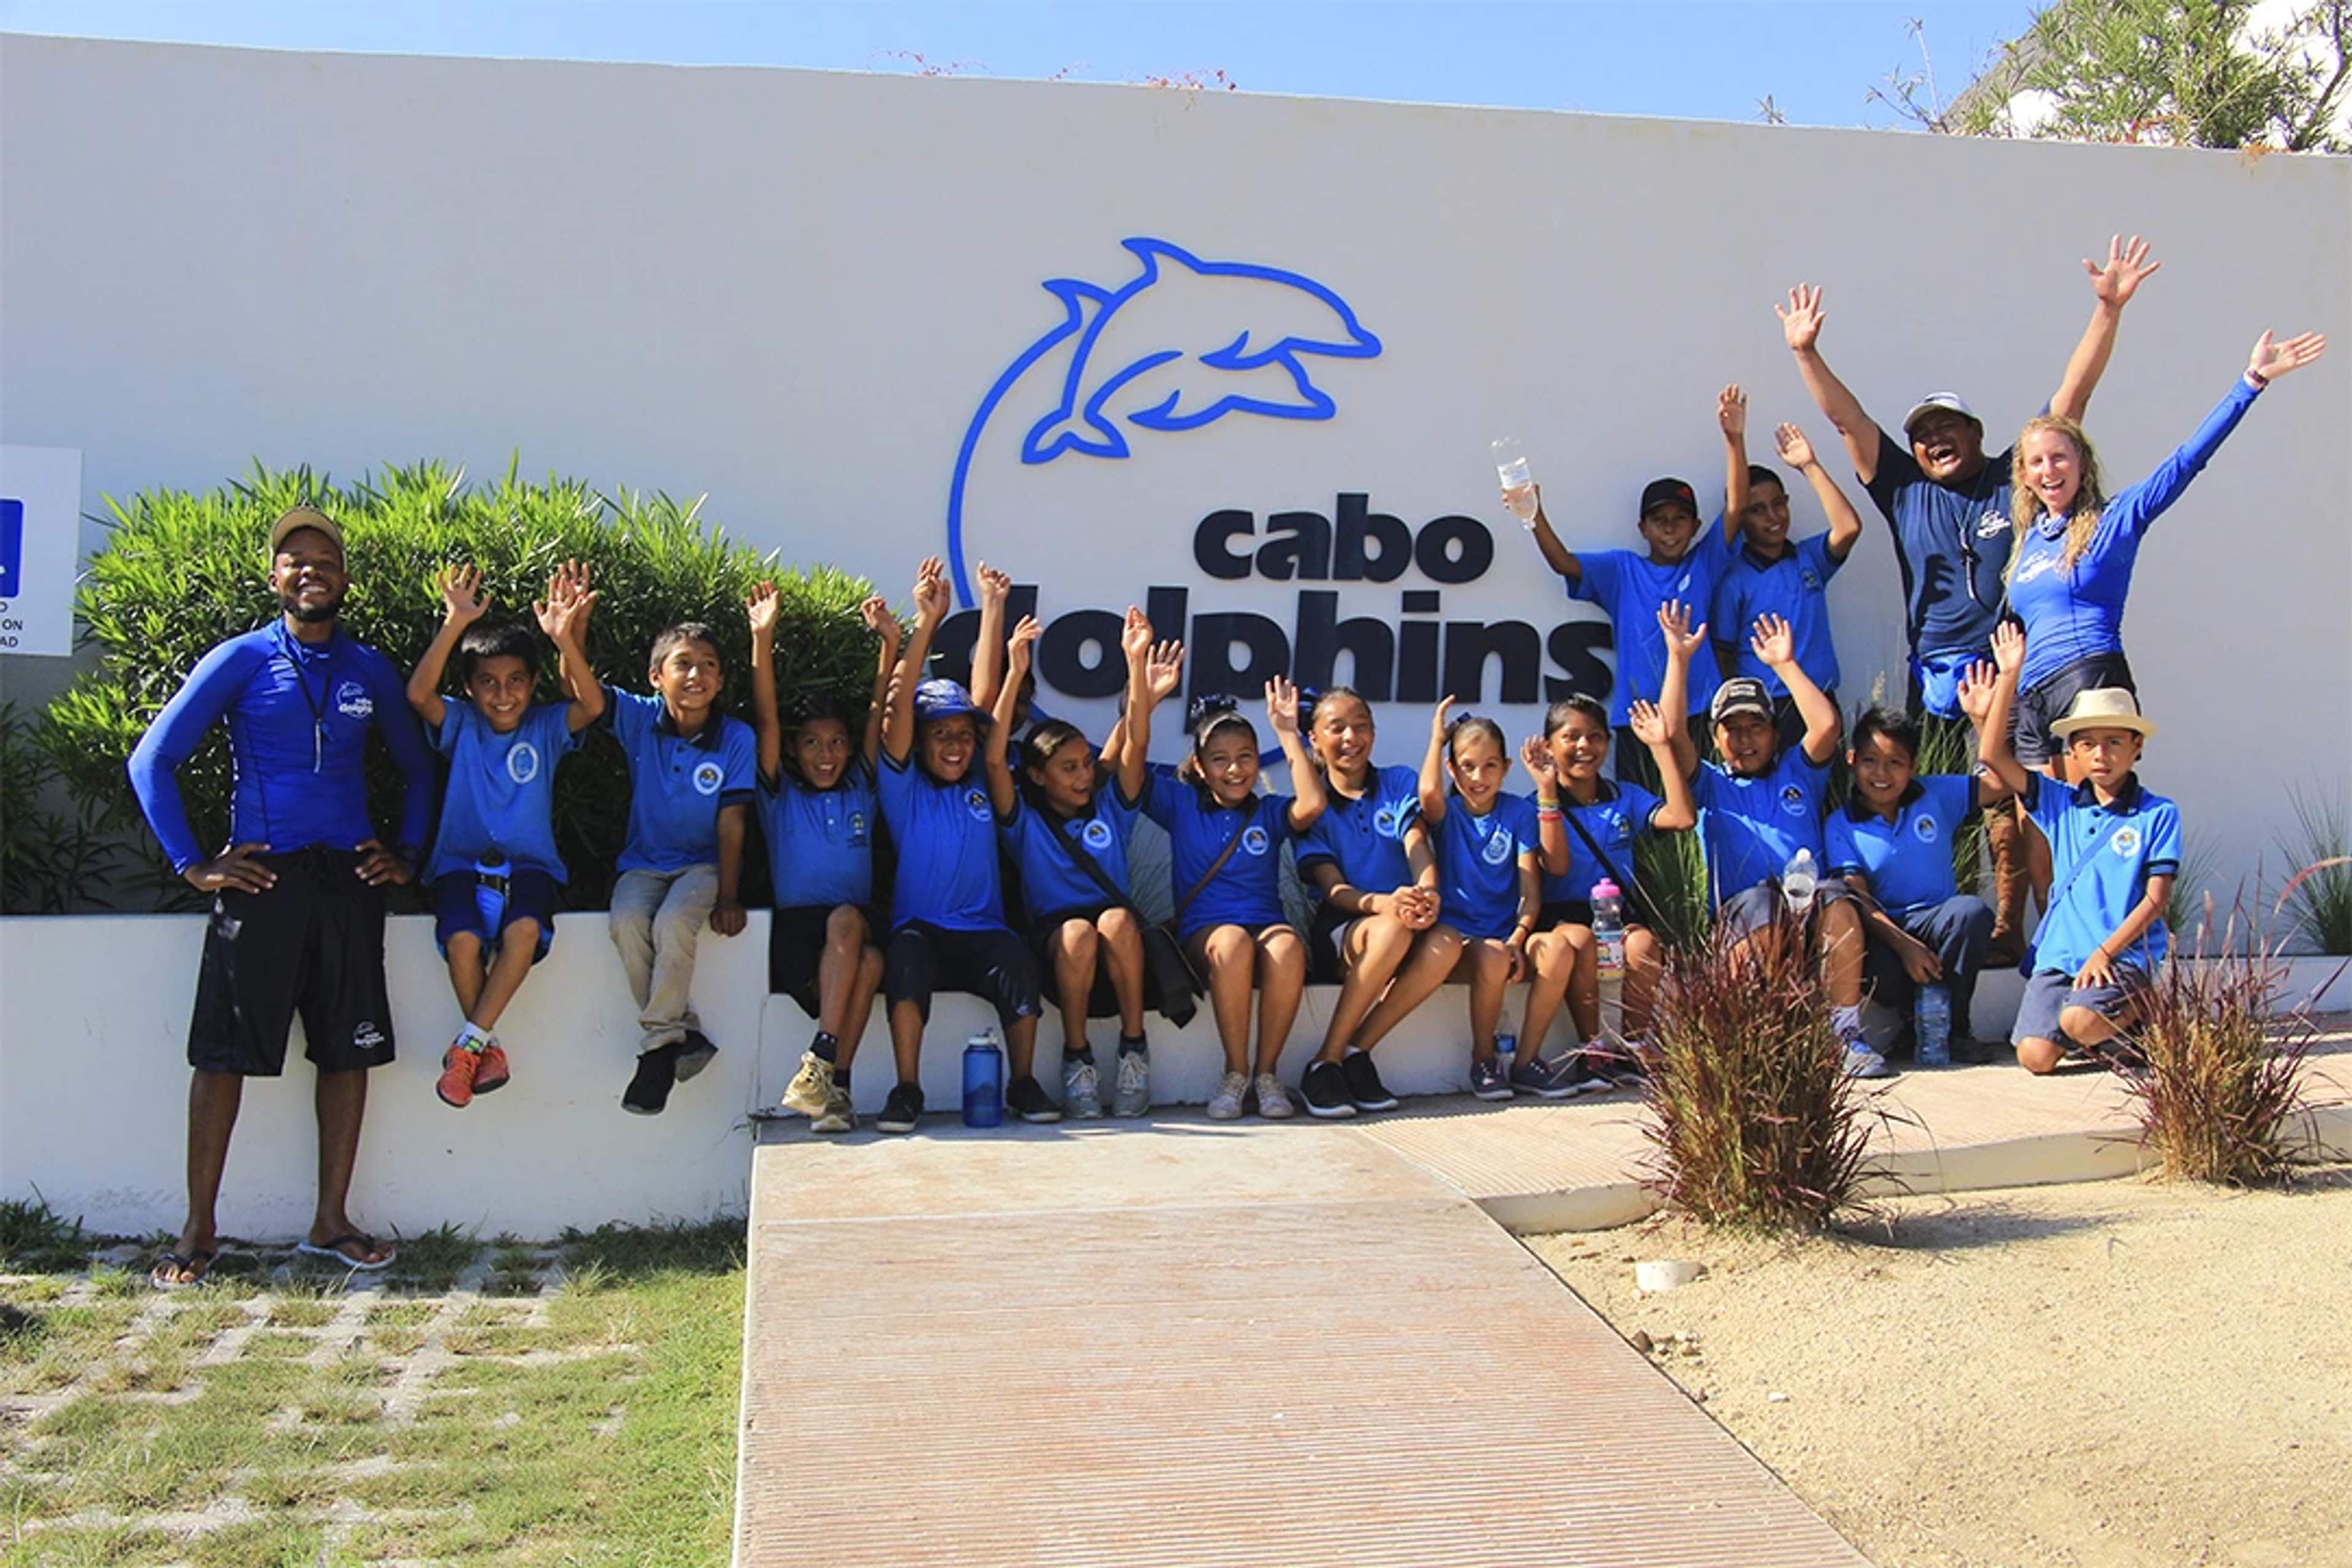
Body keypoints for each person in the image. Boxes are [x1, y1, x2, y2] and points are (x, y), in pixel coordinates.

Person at [1776, 236, 2162, 956]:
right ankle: (1961, 926)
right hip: (1933, 673)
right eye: (1924, 433)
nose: (1934, 440)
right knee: (1941, 801)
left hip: (2008, 664)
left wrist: (2107, 311)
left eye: (1948, 428)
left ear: (1980, 435)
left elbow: (2071, 401)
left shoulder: (2012, 479)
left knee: (2017, 809)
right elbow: (1849, 421)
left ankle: (2021, 933)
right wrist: (1806, 353)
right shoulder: (1904, 488)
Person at [127, 505, 434, 1286]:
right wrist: (193, 863)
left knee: (346, 1050)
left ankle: (330, 1221)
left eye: (323, 560)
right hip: (261, 883)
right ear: (275, 578)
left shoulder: (368, 669)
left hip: (348, 885)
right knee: (223, 1056)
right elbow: (152, 760)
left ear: (344, 580)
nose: (310, 570)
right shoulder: (239, 659)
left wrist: (405, 855)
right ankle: (198, 1230)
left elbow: (421, 767)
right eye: (294, 560)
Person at [2004, 328, 2327, 772]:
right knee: (2034, 835)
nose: (2049, 471)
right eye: (2037, 462)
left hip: (2088, 677)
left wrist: (2250, 382)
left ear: (2082, 463)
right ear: (2023, 475)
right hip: (2031, 694)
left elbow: (2187, 461)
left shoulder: (2115, 519)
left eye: (2060, 457)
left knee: (2083, 822)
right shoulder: (2028, 537)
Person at [1657, 603, 1891, 1079]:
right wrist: (1678, 660)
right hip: (1746, 921)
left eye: (1756, 727)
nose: (1745, 740)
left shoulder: (1798, 772)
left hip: (1809, 912)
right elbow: (1671, 732)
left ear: (1774, 732)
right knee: (1763, 903)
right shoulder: (1707, 782)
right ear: (1717, 739)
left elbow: (1825, 726)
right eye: (1733, 730)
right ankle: (1755, 1035)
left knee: (1839, 898)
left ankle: (1843, 1033)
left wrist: (1784, 664)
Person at [404, 560, 605, 1108]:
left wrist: (565, 638)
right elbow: (420, 695)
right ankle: (481, 1051)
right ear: (469, 688)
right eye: (488, 683)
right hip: (458, 865)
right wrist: (454, 623)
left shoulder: (545, 727)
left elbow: (592, 705)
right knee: (463, 943)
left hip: (531, 867)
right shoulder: (462, 725)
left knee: (521, 935)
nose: (503, 695)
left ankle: (468, 1046)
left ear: (533, 684)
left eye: (517, 681)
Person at [874, 556, 1052, 1134]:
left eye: (961, 735)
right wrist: (925, 625)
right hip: (921, 927)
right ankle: (907, 1089)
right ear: (920, 742)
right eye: (940, 734)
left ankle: (1023, 1082)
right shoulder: (901, 786)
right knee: (903, 961)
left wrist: (994, 609)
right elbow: (898, 710)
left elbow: (984, 704)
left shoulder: (982, 775)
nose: (954, 745)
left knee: (1020, 963)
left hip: (983, 930)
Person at [986, 608, 1170, 1119]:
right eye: (1068, 769)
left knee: (1112, 920)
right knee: (1078, 933)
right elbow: (995, 760)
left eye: (1087, 764)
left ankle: (1134, 1049)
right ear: (1040, 776)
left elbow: (1135, 740)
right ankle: (1077, 1058)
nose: (1084, 776)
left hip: (1118, 935)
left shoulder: (1112, 807)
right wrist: (1016, 672)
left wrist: (1135, 663)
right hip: (1057, 939)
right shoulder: (1024, 820)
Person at [1523, 385, 1751, 783]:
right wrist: (1534, 515)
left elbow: (1736, 506)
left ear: (1696, 527)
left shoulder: (1705, 563)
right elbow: (1564, 563)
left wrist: (1735, 440)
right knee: (1647, 821)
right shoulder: (1622, 570)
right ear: (1642, 527)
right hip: (1640, 717)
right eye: (1659, 519)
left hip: (1700, 712)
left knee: (1702, 813)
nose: (1669, 528)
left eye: (1680, 519)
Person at [1977, 633, 2179, 1076]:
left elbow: (2155, 899)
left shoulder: (2157, 813)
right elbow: (1992, 754)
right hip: (2061, 957)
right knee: (2035, 1058)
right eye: (2088, 744)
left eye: (2113, 742)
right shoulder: (2057, 802)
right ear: (2072, 751)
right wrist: (2009, 675)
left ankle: (2132, 1013)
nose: (2101, 755)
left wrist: (2105, 953)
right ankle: (2110, 1037)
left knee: (2077, 1021)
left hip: (2120, 957)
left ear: (2136, 747)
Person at [750, 584, 896, 1134]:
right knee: (851, 932)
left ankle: (831, 1084)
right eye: (812, 743)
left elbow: (880, 720)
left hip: (849, 929)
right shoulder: (777, 796)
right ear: (794, 749)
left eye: (837, 743)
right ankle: (826, 1065)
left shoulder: (861, 788)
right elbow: (767, 721)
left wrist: (890, 646)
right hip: (798, 931)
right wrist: (762, 639)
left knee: (871, 954)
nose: (827, 754)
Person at [1145, 680, 1327, 1120]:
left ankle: (1267, 1075)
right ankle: (1235, 1073)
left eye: (1245, 757)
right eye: (1220, 760)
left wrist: (1287, 732)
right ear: (1201, 767)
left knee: (1286, 947)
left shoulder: (1267, 811)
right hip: (1207, 934)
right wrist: (1143, 698)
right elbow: (1129, 773)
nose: (1235, 769)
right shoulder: (1180, 803)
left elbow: (1313, 804)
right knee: (1231, 942)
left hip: (1264, 925)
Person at [604, 618, 756, 1115]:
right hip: (643, 864)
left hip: (702, 867)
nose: (698, 675)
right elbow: (581, 693)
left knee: (673, 923)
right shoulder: (640, 718)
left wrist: (730, 894)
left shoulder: (736, 738)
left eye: (709, 666)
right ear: (656, 677)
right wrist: (567, 636)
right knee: (627, 922)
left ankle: (657, 1054)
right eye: (684, 664)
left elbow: (733, 823)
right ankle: (675, 1036)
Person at [1826, 674, 2019, 1066]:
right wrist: (1904, 945)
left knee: (1971, 913)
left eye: (1895, 763)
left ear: (1913, 766)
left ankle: (1956, 1030)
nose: (1881, 774)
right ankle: (1914, 1028)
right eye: (1870, 762)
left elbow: (2001, 783)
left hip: (1938, 924)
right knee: (1872, 961)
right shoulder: (1840, 824)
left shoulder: (1935, 795)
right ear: (1851, 761)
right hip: (1885, 934)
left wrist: (1982, 722)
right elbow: (1859, 899)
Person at [1290, 686, 1458, 1119]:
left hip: (1403, 914)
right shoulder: (1311, 808)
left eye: (1361, 726)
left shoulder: (1399, 782)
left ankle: (1356, 1051)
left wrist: (1429, 892)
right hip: (1346, 926)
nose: (1351, 737)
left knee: (1449, 943)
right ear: (1315, 739)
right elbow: (1334, 890)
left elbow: (1417, 842)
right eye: (1338, 728)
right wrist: (1385, 904)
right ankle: (1323, 1064)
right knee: (1392, 928)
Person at [1417, 704, 1585, 1099]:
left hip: (1510, 935)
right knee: (1492, 955)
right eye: (1468, 767)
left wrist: (1519, 936)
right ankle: (1484, 1059)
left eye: (1490, 766)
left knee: (1558, 948)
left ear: (1506, 767)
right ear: (1452, 769)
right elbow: (1427, 793)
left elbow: (1531, 890)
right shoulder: (1448, 813)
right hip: (1462, 940)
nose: (1479, 777)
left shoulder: (1518, 812)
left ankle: (1526, 1062)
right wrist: (1437, 738)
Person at [1536, 691, 1697, 1065]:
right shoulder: (1538, 805)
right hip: (1563, 916)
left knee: (1643, 947)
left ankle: (1635, 1049)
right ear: (1548, 746)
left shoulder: (1625, 797)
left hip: (1615, 914)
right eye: (1570, 737)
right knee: (1581, 944)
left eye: (1595, 736)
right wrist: (1548, 793)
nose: (1583, 746)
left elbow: (1683, 818)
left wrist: (1660, 747)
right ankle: (1594, 1050)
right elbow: (1556, 867)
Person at [1711, 421, 1862, 752]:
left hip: (1820, 701)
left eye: (1779, 504)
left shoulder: (1808, 559)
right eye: (1757, 510)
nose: (1773, 517)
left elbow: (1849, 527)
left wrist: (1809, 466)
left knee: (1827, 795)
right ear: (1741, 519)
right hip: (1768, 707)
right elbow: (1724, 654)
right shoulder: (1734, 580)